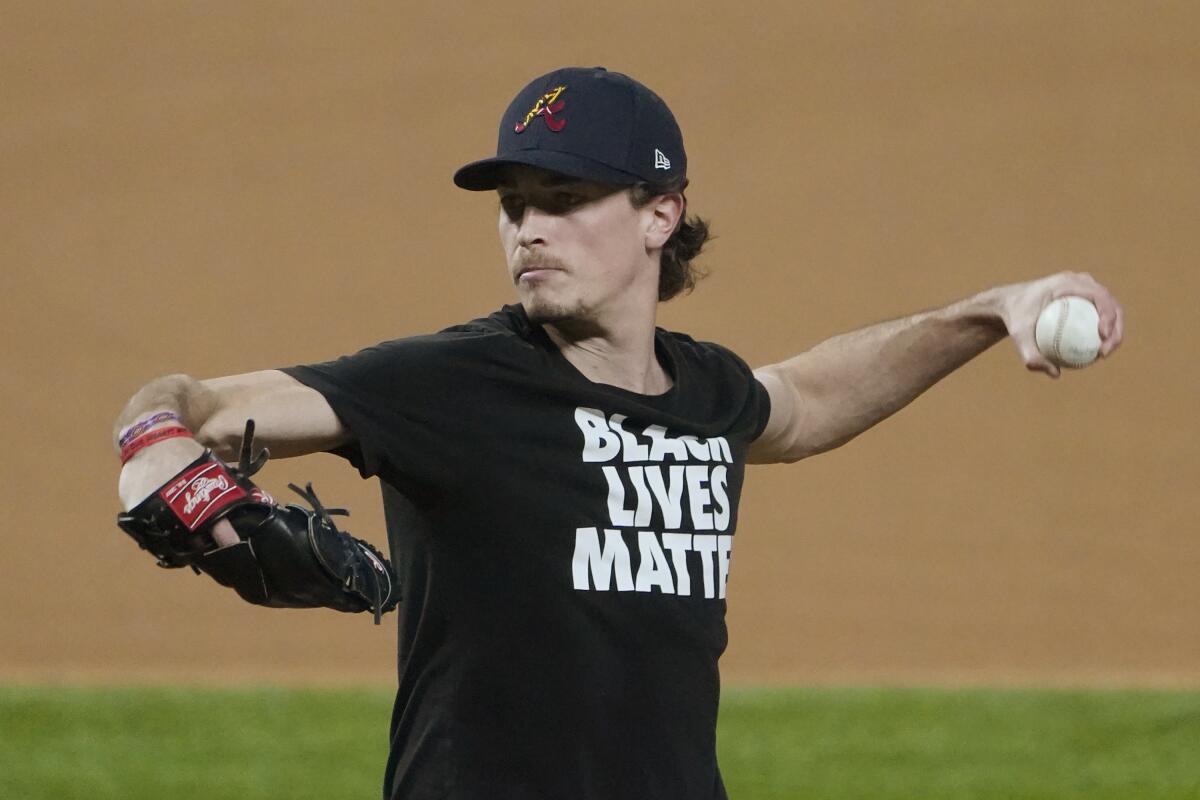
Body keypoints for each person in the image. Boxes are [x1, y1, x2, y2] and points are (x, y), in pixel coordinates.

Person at [113, 66, 1124, 800]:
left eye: (565, 199)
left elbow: (808, 400)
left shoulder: (703, 391)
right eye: (515, 206)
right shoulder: (450, 383)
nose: (528, 228)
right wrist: (155, 442)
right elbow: (198, 404)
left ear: (659, 213)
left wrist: (994, 308)